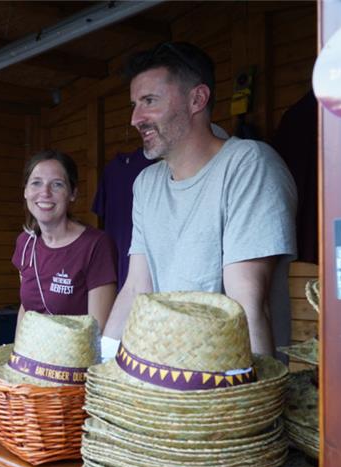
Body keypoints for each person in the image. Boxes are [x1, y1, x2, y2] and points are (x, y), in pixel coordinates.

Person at [102, 42, 297, 357]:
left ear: (197, 99)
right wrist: (102, 369)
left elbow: (247, 302)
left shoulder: (248, 164)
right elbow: (137, 287)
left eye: (149, 101)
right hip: (164, 378)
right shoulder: (146, 183)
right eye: (134, 104)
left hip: (228, 382)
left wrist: (248, 401)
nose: (135, 118)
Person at [13, 149, 117, 331]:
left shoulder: (96, 244)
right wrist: (17, 354)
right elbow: (26, 308)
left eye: (57, 184)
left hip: (77, 356)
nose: (45, 192)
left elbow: (97, 328)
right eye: (36, 183)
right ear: (26, 191)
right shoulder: (25, 242)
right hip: (32, 356)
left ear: (72, 193)